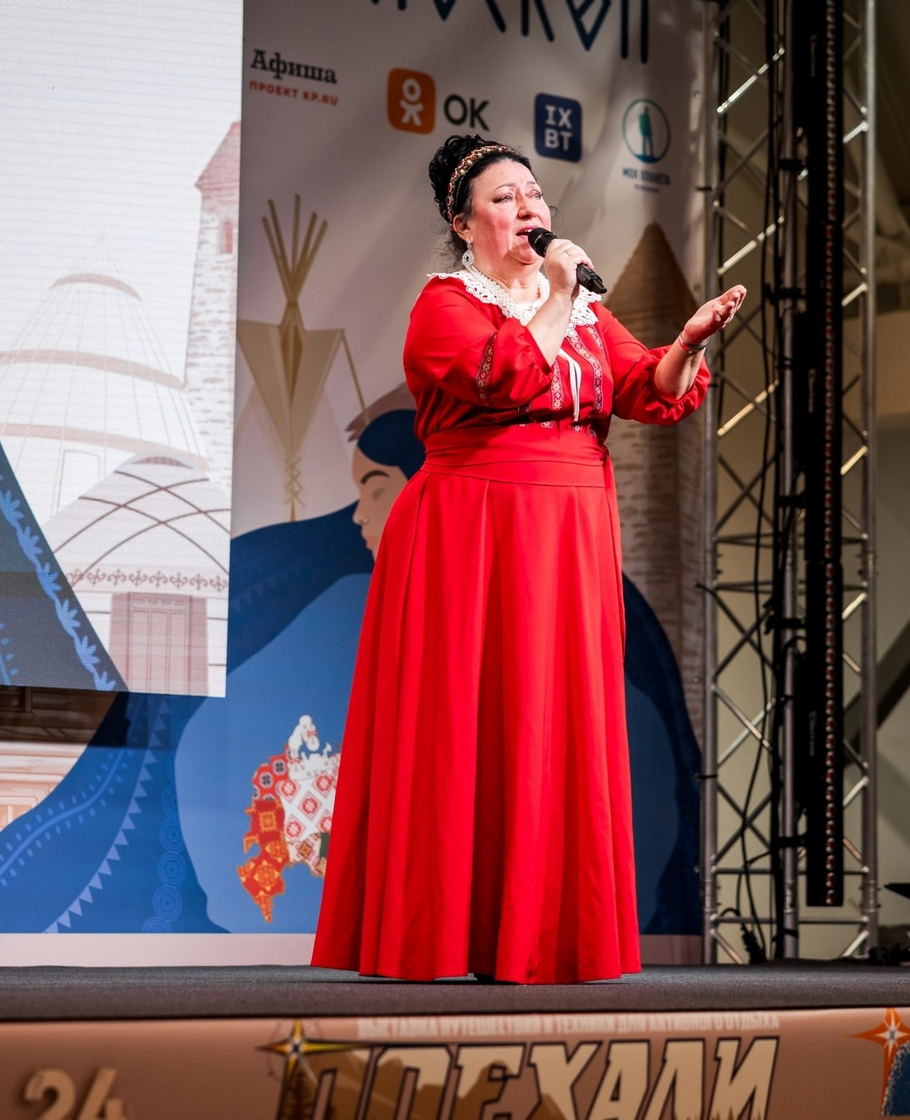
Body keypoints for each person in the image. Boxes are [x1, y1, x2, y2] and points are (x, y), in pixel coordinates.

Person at [312, 134, 745, 983]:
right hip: (471, 529)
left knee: (555, 723)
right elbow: (506, 374)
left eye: (535, 195)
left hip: (570, 530)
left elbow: (647, 390)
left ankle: (542, 937)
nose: (528, 209)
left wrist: (687, 344)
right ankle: (439, 934)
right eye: (504, 198)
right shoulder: (445, 304)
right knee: (461, 726)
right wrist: (558, 291)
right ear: (462, 222)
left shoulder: (580, 310)